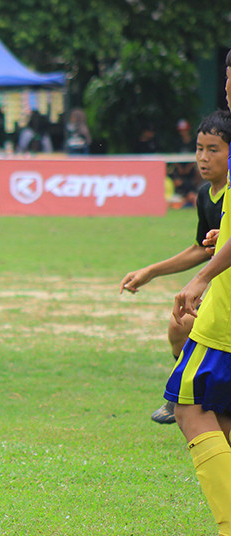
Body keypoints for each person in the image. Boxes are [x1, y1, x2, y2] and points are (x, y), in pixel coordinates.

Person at [120, 110, 231, 425]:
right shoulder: (205, 195)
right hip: (219, 286)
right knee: (179, 326)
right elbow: (201, 249)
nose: (203, 158)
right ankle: (186, 395)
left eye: (213, 150)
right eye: (199, 148)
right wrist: (151, 271)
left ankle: (190, 397)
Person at [165, 50, 231, 536]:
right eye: (228, 81)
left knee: (190, 404)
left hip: (225, 311)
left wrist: (203, 275)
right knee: (222, 418)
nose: (228, 91)